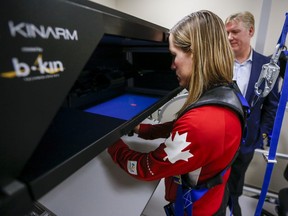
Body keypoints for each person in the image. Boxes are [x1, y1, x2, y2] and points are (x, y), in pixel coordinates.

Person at [108, 10, 248, 215]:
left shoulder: (201, 122)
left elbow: (146, 168)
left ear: (196, 53)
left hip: (195, 209)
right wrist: (143, 130)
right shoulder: (227, 93)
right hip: (215, 197)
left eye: (174, 55)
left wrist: (111, 143)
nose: (172, 65)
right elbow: (186, 130)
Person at [225, 11, 280, 215]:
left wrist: (262, 134)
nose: (230, 37)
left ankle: (234, 202)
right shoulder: (218, 61)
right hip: (218, 138)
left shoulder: (267, 66)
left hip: (246, 141)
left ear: (250, 31)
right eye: (227, 32)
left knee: (236, 181)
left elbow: (271, 105)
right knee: (214, 182)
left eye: (235, 32)